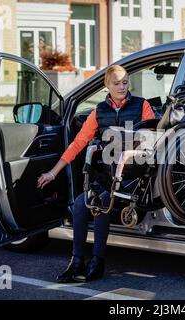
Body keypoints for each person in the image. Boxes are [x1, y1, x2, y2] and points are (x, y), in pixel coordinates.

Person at [37, 65, 155, 283]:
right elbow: (79, 143)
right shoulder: (98, 111)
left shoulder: (142, 106)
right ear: (106, 85)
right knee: (81, 204)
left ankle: (97, 262)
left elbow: (150, 138)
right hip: (108, 176)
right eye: (116, 83)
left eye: (125, 82)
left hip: (135, 176)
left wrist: (131, 145)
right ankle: (76, 261)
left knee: (100, 203)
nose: (122, 87)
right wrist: (53, 172)